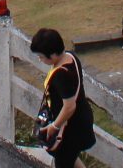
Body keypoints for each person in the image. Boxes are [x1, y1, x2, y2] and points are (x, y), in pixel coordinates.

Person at [28, 28, 96, 168]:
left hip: (69, 128)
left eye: (41, 56)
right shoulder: (71, 57)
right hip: (79, 120)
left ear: (52, 55)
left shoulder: (61, 76)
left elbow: (69, 107)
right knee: (69, 157)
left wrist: (54, 126)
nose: (40, 59)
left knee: (64, 159)